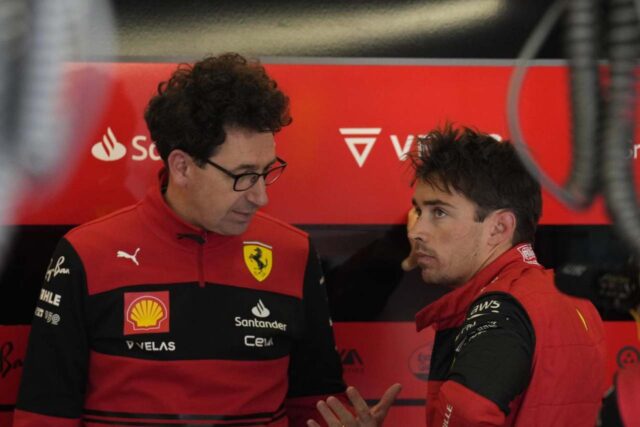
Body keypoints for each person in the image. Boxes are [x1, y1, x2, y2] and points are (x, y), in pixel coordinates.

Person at [14, 53, 346, 427]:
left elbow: (317, 406)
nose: (260, 197)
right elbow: (42, 416)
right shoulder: (85, 254)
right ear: (182, 167)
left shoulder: (293, 252)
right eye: (243, 176)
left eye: (266, 172)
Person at [309, 125, 607, 426]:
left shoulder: (498, 309)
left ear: (499, 228)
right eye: (418, 212)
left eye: (439, 212)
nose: (416, 231)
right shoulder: (570, 297)